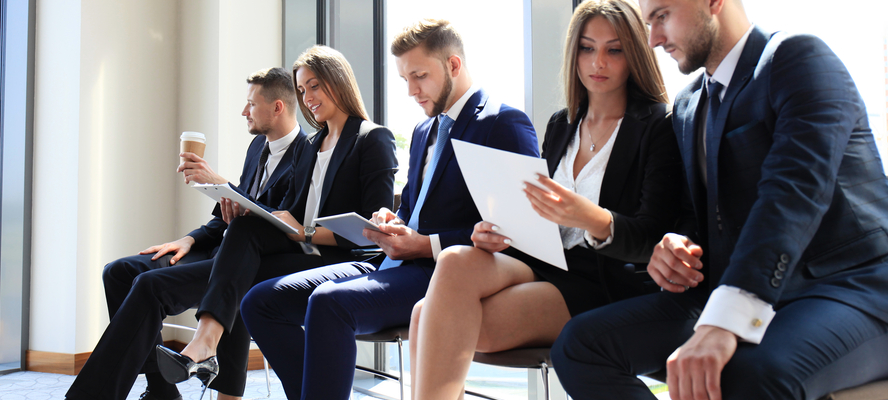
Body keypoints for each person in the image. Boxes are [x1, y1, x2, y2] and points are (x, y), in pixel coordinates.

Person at [551, 0, 888, 399]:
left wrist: (724, 323)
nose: (654, 39)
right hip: (726, 289)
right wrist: (676, 245)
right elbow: (697, 215)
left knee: (747, 375)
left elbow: (791, 196)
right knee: (580, 346)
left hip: (845, 288)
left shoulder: (798, 59)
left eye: (662, 17)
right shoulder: (691, 102)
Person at [239, 18, 539, 399]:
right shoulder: (423, 131)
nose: (412, 91)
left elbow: (520, 232)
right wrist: (391, 222)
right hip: (393, 262)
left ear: (453, 65)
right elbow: (413, 209)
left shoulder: (502, 123)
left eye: (419, 76)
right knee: (261, 301)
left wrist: (426, 244)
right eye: (404, 80)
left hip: (444, 272)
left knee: (329, 303)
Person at [408, 1, 684, 398]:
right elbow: (538, 216)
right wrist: (500, 231)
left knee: (426, 316)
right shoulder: (562, 123)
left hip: (606, 279)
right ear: (574, 53)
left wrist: (590, 217)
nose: (598, 62)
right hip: (548, 261)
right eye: (588, 48)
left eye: (614, 49)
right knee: (454, 260)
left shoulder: (657, 125)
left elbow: (652, 233)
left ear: (634, 54)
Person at [155, 45, 398, 398]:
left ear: (339, 81)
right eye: (302, 90)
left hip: (348, 257)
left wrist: (306, 230)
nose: (308, 97)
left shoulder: (371, 138)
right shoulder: (312, 145)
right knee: (243, 237)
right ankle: (207, 343)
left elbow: (372, 231)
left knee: (244, 279)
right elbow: (289, 212)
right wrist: (243, 204)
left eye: (315, 86)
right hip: (302, 249)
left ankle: (209, 348)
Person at [65, 67, 306, 400]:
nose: (243, 111)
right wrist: (189, 239)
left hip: (246, 264)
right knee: (120, 272)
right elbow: (229, 216)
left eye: (250, 104)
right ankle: (163, 391)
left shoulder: (308, 155)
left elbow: (276, 224)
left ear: (277, 107)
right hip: (217, 248)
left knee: (148, 285)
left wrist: (219, 181)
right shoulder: (257, 149)